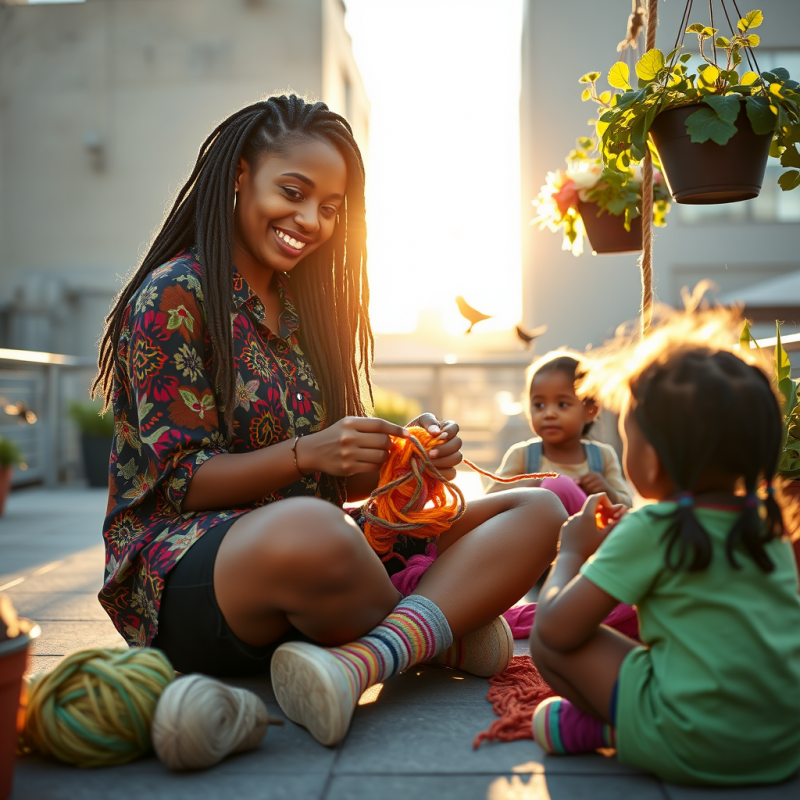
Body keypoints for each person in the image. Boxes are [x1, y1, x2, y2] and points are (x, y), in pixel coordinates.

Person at [93, 95, 566, 747]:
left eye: (330, 206)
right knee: (314, 531)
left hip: (318, 549)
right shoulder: (174, 296)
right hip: (186, 573)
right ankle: (440, 628)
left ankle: (365, 657)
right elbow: (179, 483)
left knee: (538, 508)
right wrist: (308, 455)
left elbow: (336, 485)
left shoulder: (304, 307)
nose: (309, 220)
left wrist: (403, 455)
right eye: (293, 191)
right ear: (240, 177)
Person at [528, 315, 800, 786]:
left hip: (694, 746)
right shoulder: (767, 523)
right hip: (781, 746)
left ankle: (614, 727)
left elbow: (555, 626)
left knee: (550, 639)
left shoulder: (656, 527)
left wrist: (571, 552)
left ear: (650, 458)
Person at [487, 352, 632, 513]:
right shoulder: (522, 455)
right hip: (536, 536)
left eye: (562, 404)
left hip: (588, 537)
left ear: (590, 410)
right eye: (539, 405)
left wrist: (606, 491)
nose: (548, 414)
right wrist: (533, 484)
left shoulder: (603, 457)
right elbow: (490, 499)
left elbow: (627, 506)